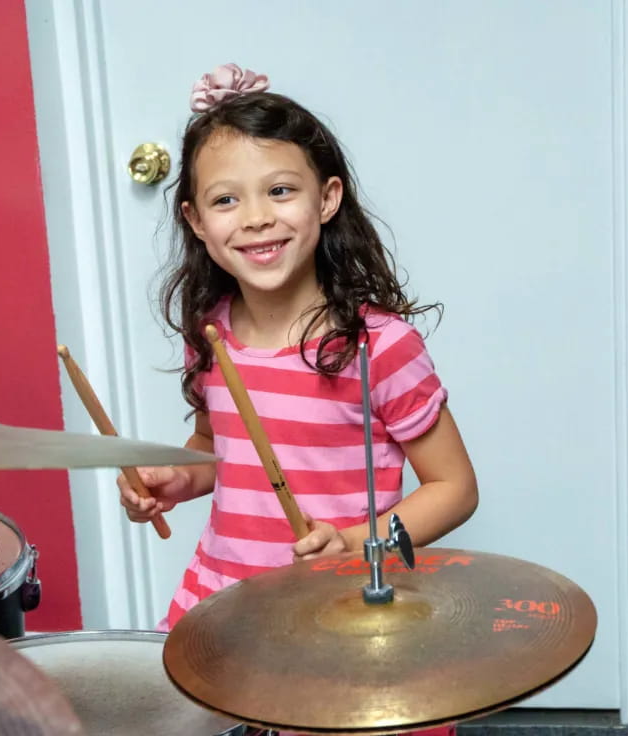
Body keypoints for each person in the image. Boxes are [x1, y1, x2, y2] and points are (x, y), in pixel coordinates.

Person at [118, 63, 478, 736]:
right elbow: (215, 449)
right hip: (228, 598)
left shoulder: (378, 345)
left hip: (342, 608)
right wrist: (175, 477)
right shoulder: (214, 333)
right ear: (195, 221)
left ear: (326, 197)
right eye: (226, 201)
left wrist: (357, 544)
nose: (256, 219)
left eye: (280, 190)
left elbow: (455, 489)